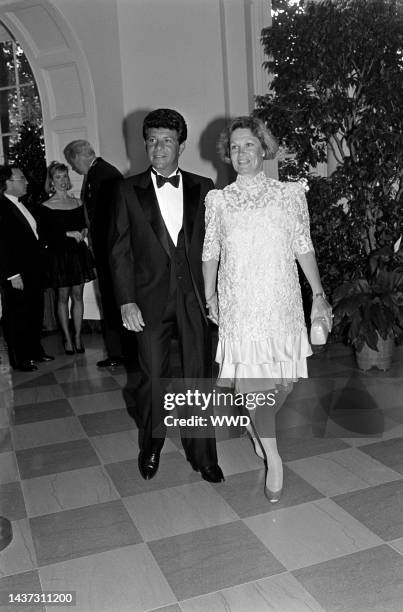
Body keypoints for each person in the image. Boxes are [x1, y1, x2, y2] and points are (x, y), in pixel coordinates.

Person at [202, 116, 332, 502]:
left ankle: (260, 431)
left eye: (248, 145)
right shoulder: (218, 200)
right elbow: (211, 251)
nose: (240, 153)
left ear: (263, 148)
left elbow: (302, 244)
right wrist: (211, 295)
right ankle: (273, 459)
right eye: (235, 147)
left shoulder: (289, 194)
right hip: (241, 304)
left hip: (282, 301)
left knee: (282, 384)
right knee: (255, 387)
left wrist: (319, 294)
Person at [109, 108, 224, 483]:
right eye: (153, 140)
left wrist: (218, 293)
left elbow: (216, 244)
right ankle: (152, 442)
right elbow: (119, 250)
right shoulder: (127, 190)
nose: (159, 147)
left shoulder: (203, 186)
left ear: (182, 145)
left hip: (194, 298)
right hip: (148, 301)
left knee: (199, 377)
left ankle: (204, 454)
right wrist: (126, 300)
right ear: (145, 144)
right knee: (150, 378)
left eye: (167, 141)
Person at [63, 140, 126, 367]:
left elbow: (109, 216)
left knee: (112, 301)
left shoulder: (103, 174)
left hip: (110, 250)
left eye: (72, 162)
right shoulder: (100, 171)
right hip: (108, 250)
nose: (73, 167)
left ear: (81, 156)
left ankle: (119, 353)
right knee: (110, 300)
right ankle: (119, 352)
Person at [0, 165, 54, 371]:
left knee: (33, 311)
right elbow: (2, 245)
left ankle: (34, 351)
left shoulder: (22, 204)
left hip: (33, 270)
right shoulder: (2, 207)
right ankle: (19, 358)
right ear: (7, 183)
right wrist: (12, 274)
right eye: (21, 178)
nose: (26, 181)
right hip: (16, 273)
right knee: (17, 316)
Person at [39, 162, 96, 354]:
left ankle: (78, 336)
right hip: (59, 256)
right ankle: (66, 338)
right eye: (58, 177)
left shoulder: (77, 202)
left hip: (78, 255)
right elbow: (45, 235)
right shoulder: (46, 206)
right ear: (52, 182)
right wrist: (67, 234)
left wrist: (83, 231)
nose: (62, 181)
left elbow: (84, 225)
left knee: (78, 296)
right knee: (62, 297)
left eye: (64, 176)